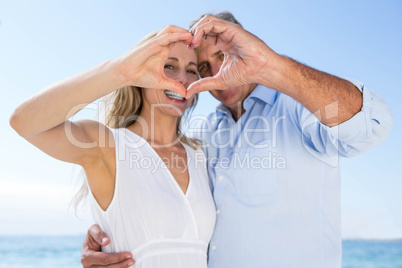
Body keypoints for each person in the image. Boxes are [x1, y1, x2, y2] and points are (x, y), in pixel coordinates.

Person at [81, 12, 393, 268]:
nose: (218, 70)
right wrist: (110, 236)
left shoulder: (300, 110)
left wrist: (273, 66)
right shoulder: (203, 138)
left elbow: (372, 127)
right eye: (203, 67)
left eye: (224, 55)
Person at [9, 25, 217, 268]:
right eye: (168, 66)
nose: (182, 78)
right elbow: (24, 122)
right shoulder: (107, 146)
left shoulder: (202, 154)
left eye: (191, 71)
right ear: (142, 74)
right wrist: (121, 71)